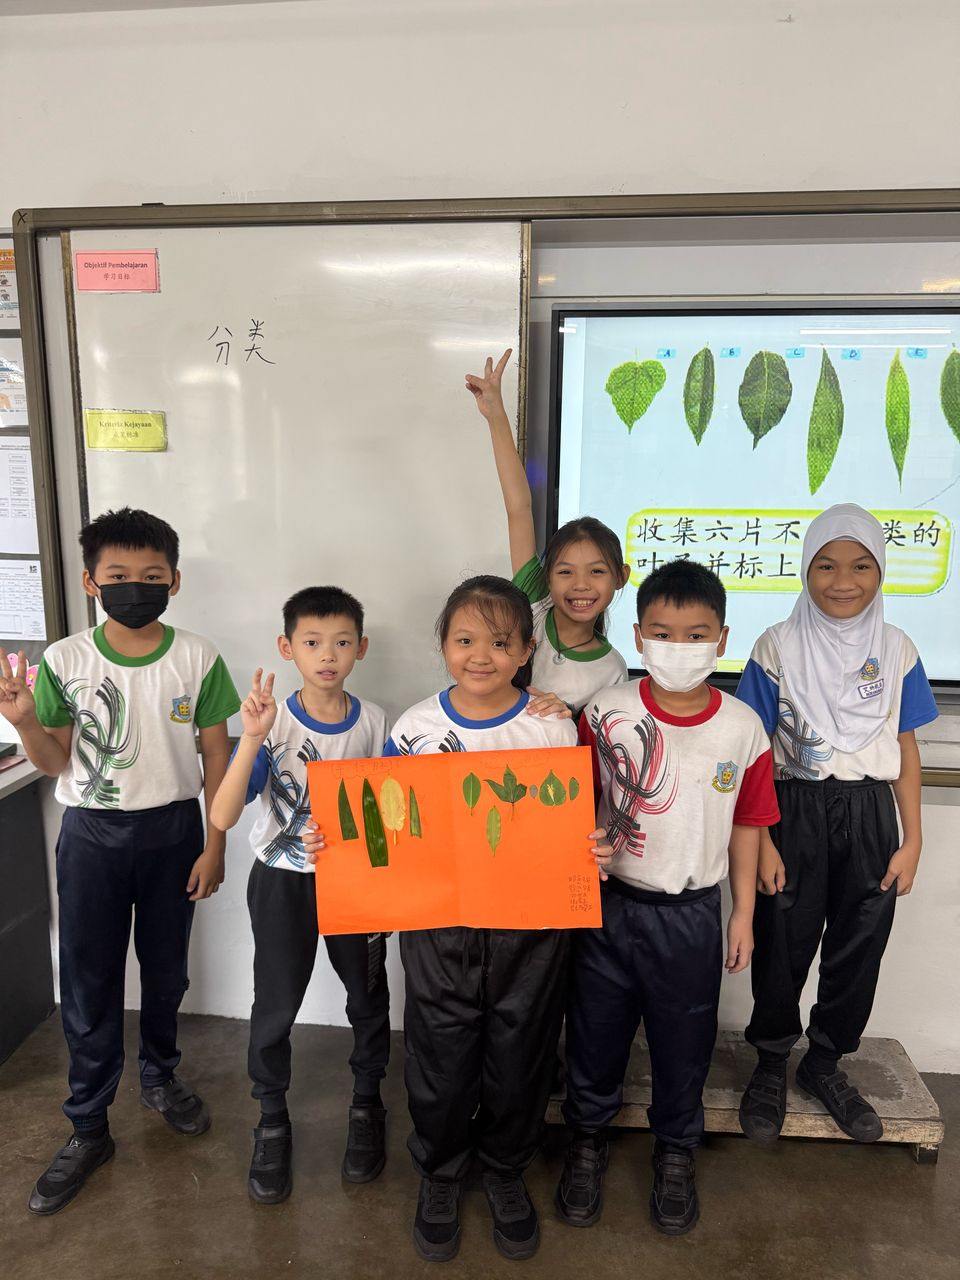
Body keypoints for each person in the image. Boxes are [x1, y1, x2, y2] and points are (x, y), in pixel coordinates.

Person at [306, 575, 610, 1263]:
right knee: (440, 1055)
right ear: (443, 644)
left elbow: (570, 820)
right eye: (466, 639)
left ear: (526, 650)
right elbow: (384, 823)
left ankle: (505, 1169)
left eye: (501, 643)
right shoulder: (415, 728)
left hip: (531, 929)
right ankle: (440, 1173)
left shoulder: (550, 725)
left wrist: (592, 844)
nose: (482, 656)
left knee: (521, 1051)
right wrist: (338, 843)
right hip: (438, 926)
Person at [0, 507, 240, 1215]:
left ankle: (160, 1076)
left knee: (166, 972)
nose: (136, 586)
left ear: (174, 581)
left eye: (151, 576)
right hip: (91, 839)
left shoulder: (197, 656)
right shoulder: (66, 660)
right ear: (91, 581)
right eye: (119, 575)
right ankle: (88, 1124)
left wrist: (216, 842)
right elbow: (55, 762)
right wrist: (23, 721)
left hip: (174, 833)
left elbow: (218, 753)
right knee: (89, 982)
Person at [556, 559, 779, 1235]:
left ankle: (677, 1149)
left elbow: (748, 825)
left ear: (722, 638)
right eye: (662, 632)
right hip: (608, 906)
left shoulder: (743, 727)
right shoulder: (606, 711)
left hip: (691, 915)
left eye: (696, 634)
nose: (678, 647)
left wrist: (743, 915)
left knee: (685, 1040)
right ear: (638, 635)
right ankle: (586, 1140)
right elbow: (570, 802)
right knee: (594, 1033)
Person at [735, 503, 938, 1145]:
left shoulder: (898, 649)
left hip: (871, 813)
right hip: (790, 809)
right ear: (805, 570)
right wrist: (763, 841)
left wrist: (913, 839)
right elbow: (753, 750)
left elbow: (905, 746)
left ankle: (823, 1063)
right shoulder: (775, 645)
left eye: (860, 566)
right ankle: (770, 1063)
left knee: (860, 944)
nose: (842, 581)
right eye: (825, 565)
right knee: (782, 941)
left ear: (880, 572)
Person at [210, 586, 392, 1204]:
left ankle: (367, 1105)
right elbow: (224, 815)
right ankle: (271, 1119)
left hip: (355, 885)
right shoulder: (273, 722)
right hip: (282, 883)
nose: (328, 655)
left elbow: (386, 814)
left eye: (342, 642)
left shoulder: (375, 723)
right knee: (276, 1002)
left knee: (367, 998)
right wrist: (252, 738)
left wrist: (360, 846)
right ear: (287, 648)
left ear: (361, 648)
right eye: (312, 642)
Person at [466, 350, 631, 713]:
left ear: (621, 577)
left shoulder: (613, 669)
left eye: (597, 571)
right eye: (565, 572)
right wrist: (495, 416)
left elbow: (595, 740)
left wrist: (567, 716)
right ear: (547, 578)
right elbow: (518, 508)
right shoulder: (534, 606)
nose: (581, 585)